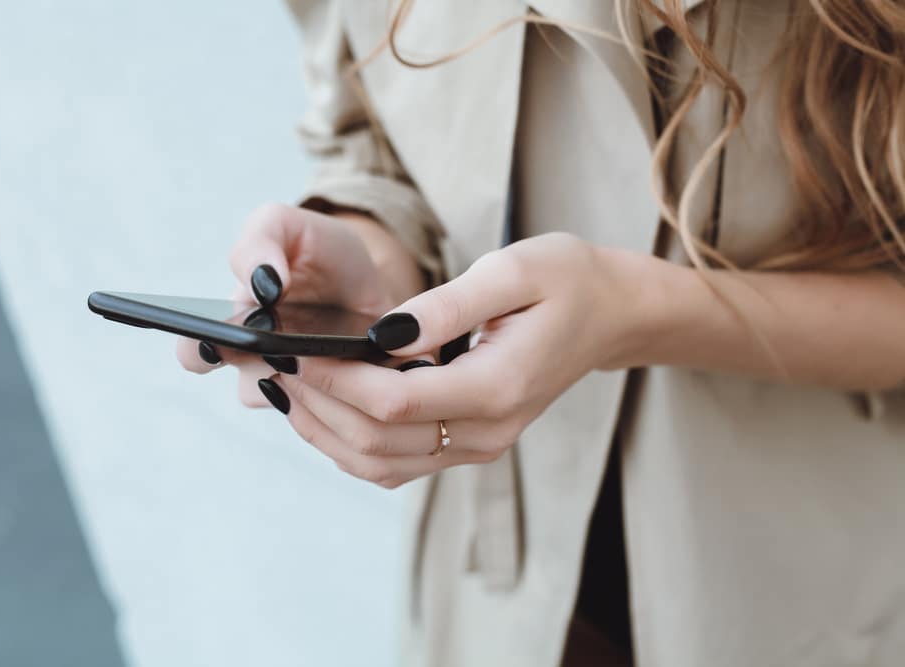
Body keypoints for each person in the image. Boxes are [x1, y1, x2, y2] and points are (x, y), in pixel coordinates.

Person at [179, 1, 905, 665]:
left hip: (807, 600)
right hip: (498, 603)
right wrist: (367, 260)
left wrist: (642, 311)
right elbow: (375, 145)